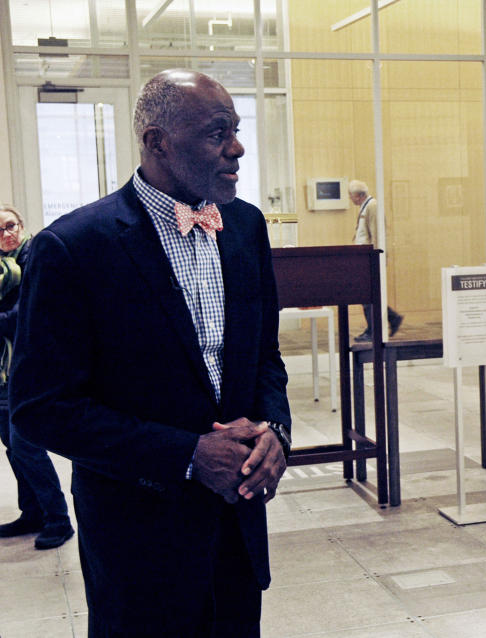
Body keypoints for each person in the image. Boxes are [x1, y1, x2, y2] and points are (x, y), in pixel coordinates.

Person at [10, 69, 291, 637]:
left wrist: (273, 432)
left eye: (235, 130)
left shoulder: (244, 227)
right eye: (218, 133)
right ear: (157, 141)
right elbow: (41, 408)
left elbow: (264, 356)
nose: (238, 148)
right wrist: (187, 453)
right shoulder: (72, 248)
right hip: (139, 545)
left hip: (236, 530)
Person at [0, 204, 74, 550]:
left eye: (9, 226)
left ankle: (58, 519)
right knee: (13, 447)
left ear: (21, 224)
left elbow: (22, 316)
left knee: (27, 446)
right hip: (5, 372)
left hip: (29, 371)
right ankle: (32, 512)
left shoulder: (33, 256)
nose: (5, 235)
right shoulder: (4, 268)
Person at [348, 179, 403, 341]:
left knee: (367, 295)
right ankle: (389, 319)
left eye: (351, 195)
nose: (350, 198)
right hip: (364, 258)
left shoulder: (372, 206)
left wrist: (378, 258)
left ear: (358, 195)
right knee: (368, 295)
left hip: (370, 259)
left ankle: (374, 330)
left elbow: (377, 234)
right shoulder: (366, 207)